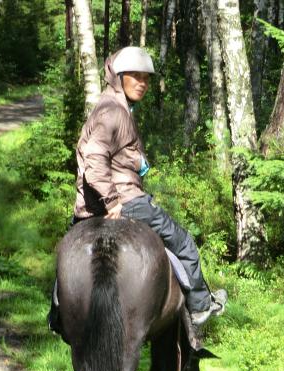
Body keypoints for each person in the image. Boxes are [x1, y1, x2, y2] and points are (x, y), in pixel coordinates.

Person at [49, 46, 226, 331]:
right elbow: (94, 158)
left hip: (88, 205)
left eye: (146, 78)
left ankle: (58, 314)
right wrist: (111, 202)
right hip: (124, 200)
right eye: (135, 76)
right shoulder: (113, 112)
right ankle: (201, 305)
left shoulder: (114, 106)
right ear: (118, 77)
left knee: (69, 249)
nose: (142, 83)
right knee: (184, 243)